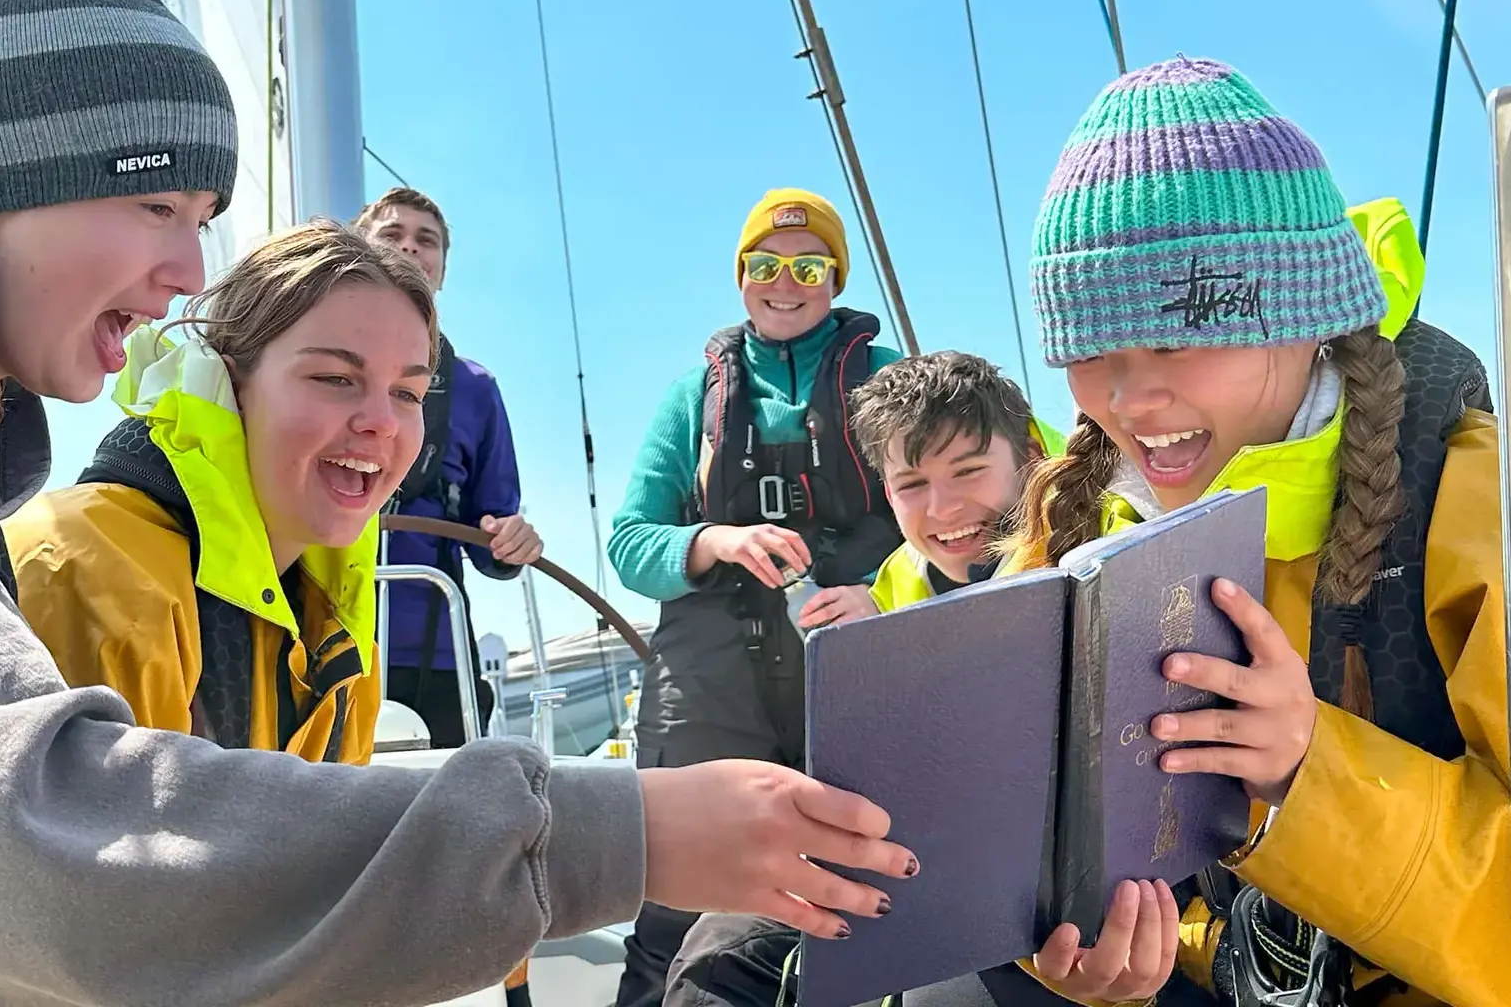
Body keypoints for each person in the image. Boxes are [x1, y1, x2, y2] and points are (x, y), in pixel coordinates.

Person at [0, 0, 917, 1007]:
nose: (190, 270)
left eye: (407, 393)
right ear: (0, 186)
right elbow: (27, 863)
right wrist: (620, 834)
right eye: (158, 207)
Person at [1005, 57, 1509, 1005]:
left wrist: (1312, 768)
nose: (1129, 399)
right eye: (1084, 351)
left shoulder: (1470, 495)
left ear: (1306, 314)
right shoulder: (1075, 520)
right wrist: (1086, 956)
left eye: (1173, 340)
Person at [663, 352, 1084, 1007]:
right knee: (720, 952)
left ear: (1028, 454)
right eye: (911, 484)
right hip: (920, 860)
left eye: (969, 471)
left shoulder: (1083, 550)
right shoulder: (897, 579)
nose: (944, 508)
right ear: (886, 490)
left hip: (1045, 890)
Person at [609, 189, 909, 1007]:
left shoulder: (889, 383)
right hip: (710, 687)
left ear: (835, 277)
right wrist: (715, 541)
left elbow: (960, 516)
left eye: (808, 266)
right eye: (766, 265)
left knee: (854, 883)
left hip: (847, 678)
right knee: (673, 906)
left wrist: (881, 595)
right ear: (741, 275)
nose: (786, 282)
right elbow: (629, 544)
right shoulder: (690, 400)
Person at [5, 218, 425, 775]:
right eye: (333, 378)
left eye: (407, 392)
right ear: (231, 387)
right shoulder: (89, 574)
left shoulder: (342, 642)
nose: (382, 422)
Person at [354, 186, 542, 749]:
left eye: (426, 240)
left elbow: (493, 527)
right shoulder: (299, 363)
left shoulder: (476, 389)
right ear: (355, 252)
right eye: (391, 234)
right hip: (314, 639)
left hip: (437, 656)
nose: (409, 248)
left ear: (441, 270)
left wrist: (512, 540)